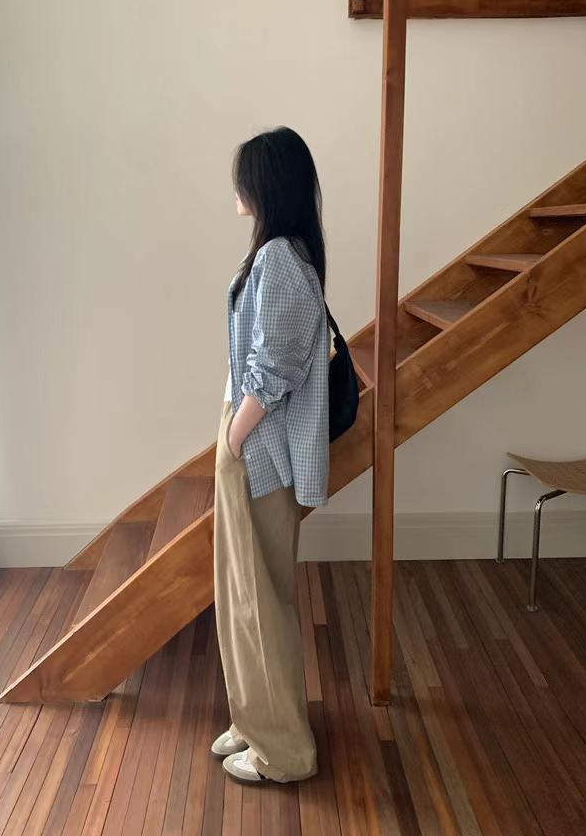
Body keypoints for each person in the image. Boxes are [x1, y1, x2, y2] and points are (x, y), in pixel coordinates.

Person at [210, 126, 331, 785]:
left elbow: (275, 368)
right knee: (243, 596)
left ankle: (283, 752)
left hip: (258, 450)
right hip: (248, 441)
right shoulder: (279, 252)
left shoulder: (281, 257)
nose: (237, 187)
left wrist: (234, 439)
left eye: (245, 176)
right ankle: (255, 719)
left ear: (265, 185)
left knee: (259, 602)